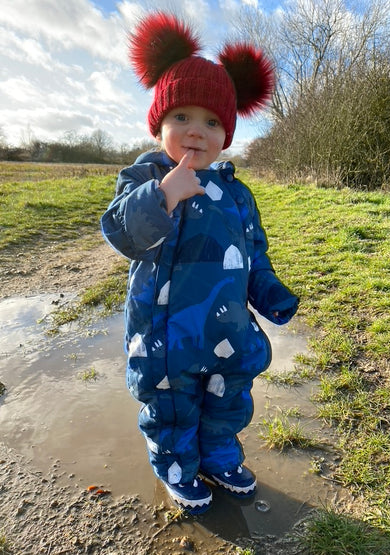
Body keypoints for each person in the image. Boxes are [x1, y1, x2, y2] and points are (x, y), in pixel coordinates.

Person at [101, 11, 299, 515]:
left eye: (212, 122)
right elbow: (122, 233)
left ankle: (219, 457)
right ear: (159, 124)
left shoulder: (236, 192)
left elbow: (253, 251)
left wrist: (269, 290)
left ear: (227, 133)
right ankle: (177, 468)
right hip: (166, 338)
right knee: (172, 412)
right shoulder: (144, 178)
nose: (196, 132)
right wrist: (162, 196)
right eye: (182, 118)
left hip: (227, 333)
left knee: (226, 405)